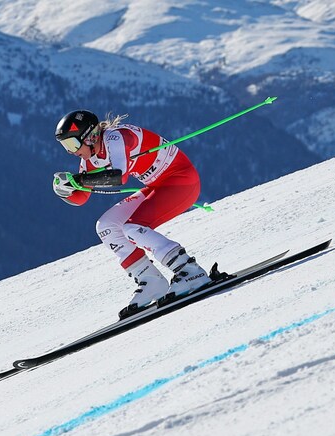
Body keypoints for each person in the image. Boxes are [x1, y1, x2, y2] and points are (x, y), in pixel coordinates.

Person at [52, 110, 226, 319]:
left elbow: (118, 177)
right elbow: (82, 198)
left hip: (181, 181)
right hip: (157, 186)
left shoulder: (117, 138)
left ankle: (190, 271)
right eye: (65, 147)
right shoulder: (90, 156)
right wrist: (66, 190)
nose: (71, 152)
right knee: (106, 226)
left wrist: (79, 181)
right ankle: (152, 282)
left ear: (90, 136)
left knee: (132, 227)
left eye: (72, 144)